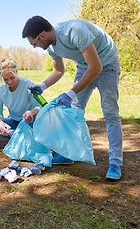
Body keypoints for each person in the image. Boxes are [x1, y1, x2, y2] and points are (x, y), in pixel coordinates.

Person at [22, 15, 123, 180]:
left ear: (42, 35)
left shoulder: (74, 31)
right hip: (85, 66)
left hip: (107, 63)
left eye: (34, 43)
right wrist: (43, 85)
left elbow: (96, 66)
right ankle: (69, 154)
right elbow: (58, 70)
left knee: (110, 113)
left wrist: (71, 92)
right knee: (73, 112)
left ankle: (115, 163)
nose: (35, 47)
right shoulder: (51, 47)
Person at [0, 58, 41, 138]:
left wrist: (30, 113)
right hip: (14, 121)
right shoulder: (0, 90)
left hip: (29, 121)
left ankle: (20, 136)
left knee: (38, 128)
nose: (9, 82)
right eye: (5, 79)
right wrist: (0, 123)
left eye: (12, 78)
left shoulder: (28, 84)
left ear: (16, 72)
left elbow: (39, 107)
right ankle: (18, 135)